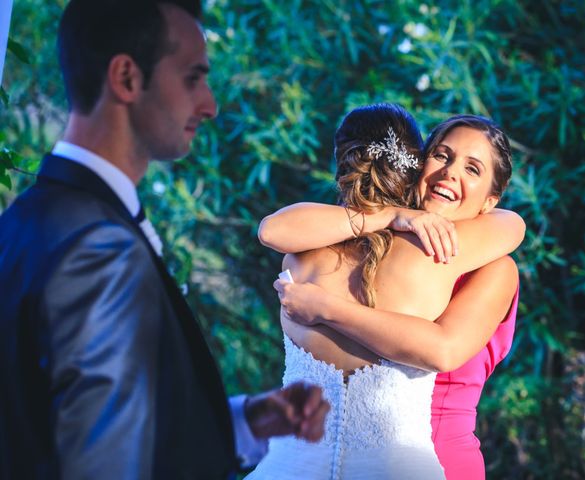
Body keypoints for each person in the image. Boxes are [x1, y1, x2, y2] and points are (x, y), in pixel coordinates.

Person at [0, 1, 329, 479]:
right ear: (127, 78)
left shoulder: (25, 220)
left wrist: (243, 423)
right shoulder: (97, 248)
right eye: (193, 77)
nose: (210, 105)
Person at [249, 104, 524, 479]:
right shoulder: (359, 238)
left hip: (442, 454)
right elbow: (272, 230)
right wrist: (389, 216)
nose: (449, 172)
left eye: (472, 169)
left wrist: (325, 308)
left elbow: (444, 350)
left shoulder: (494, 265)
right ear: (416, 164)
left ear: (491, 201)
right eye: (441, 155)